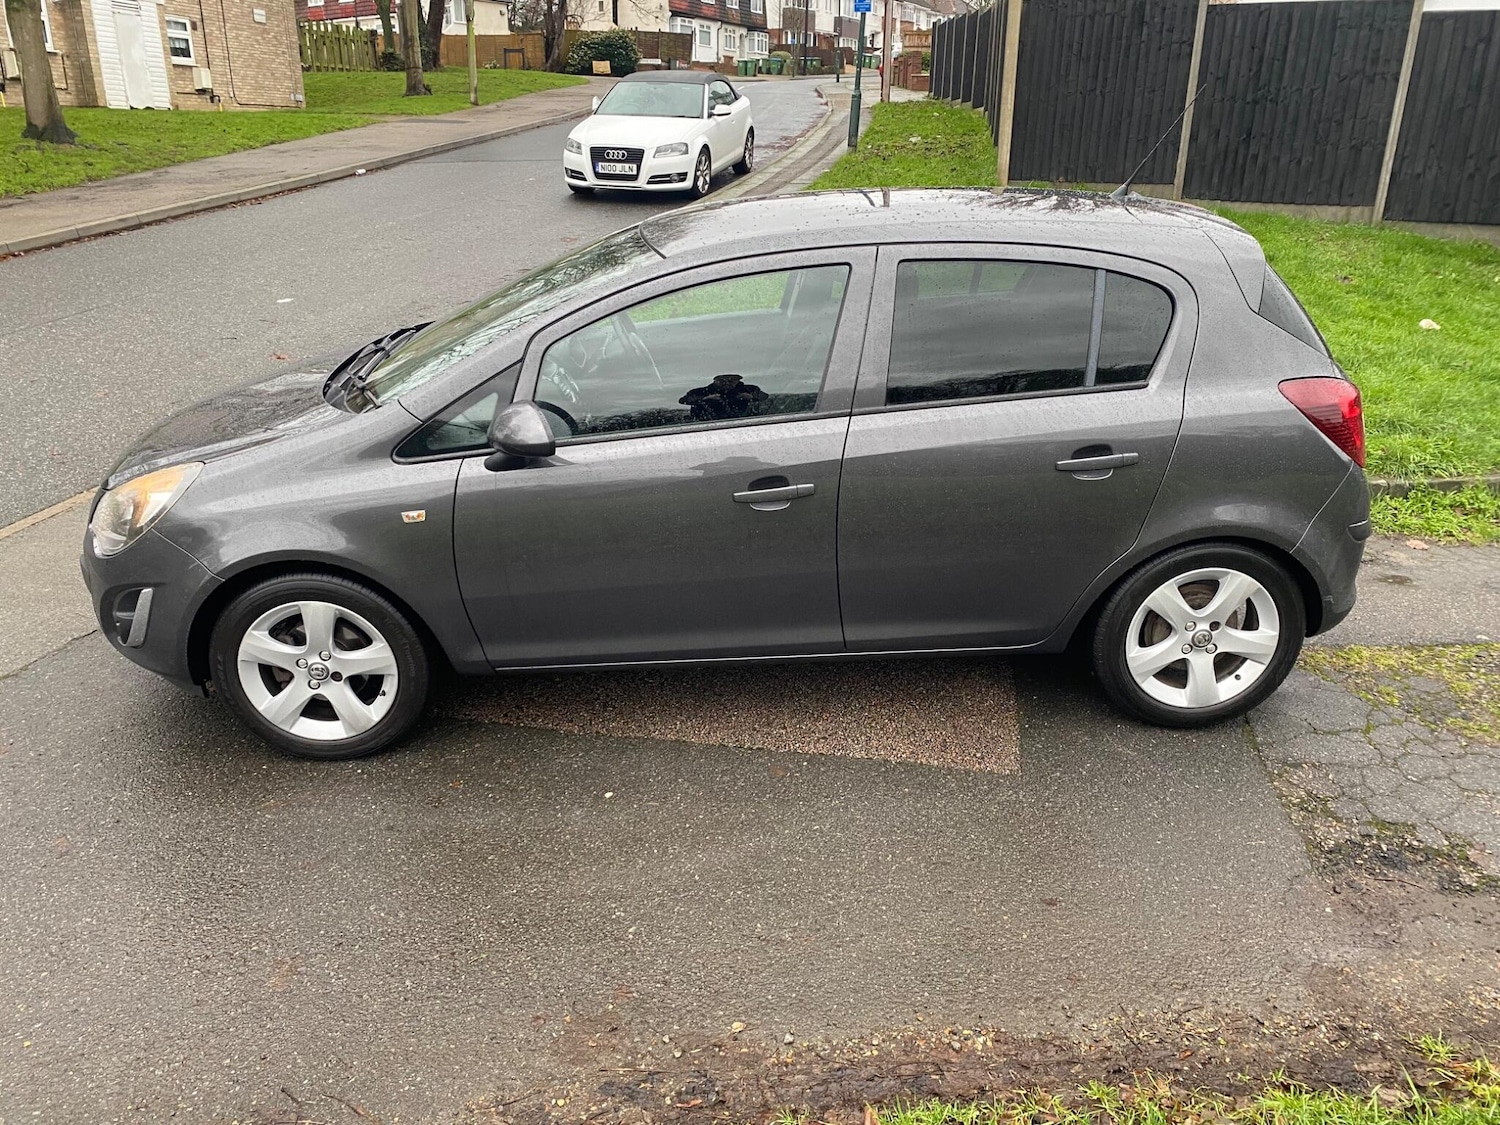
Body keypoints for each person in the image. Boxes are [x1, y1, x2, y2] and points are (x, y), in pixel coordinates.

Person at [679, 373, 769, 420]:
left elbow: (764, 397)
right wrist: (705, 399)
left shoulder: (750, 389)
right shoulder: (700, 392)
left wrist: (751, 398)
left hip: (746, 422)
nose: (727, 383)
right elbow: (683, 400)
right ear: (715, 381)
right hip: (706, 425)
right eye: (722, 381)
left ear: (738, 380)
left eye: (732, 381)